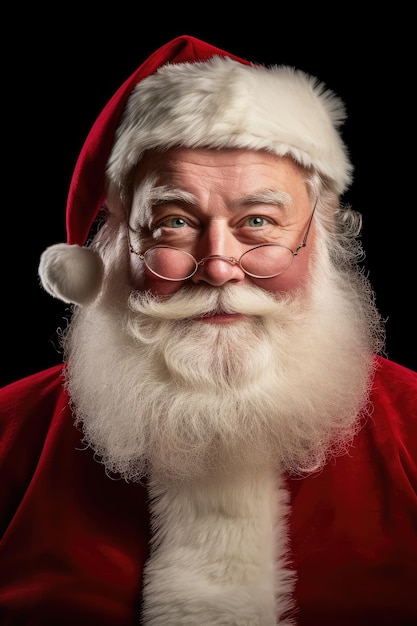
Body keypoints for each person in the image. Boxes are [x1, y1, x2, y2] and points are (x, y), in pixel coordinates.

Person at [0, 34, 416, 626]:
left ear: (318, 239)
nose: (219, 266)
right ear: (116, 248)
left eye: (258, 222)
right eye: (173, 222)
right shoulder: (9, 431)